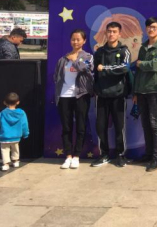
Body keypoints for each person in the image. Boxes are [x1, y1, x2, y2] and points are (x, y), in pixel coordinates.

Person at [133, 17, 157, 172]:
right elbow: (138, 72)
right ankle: (148, 154)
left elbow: (155, 66)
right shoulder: (143, 46)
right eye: (149, 27)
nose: (151, 29)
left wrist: (141, 63)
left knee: (154, 124)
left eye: (154, 27)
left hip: (155, 89)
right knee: (145, 123)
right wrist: (136, 91)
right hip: (141, 89)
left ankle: (156, 158)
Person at [54, 29, 94, 169]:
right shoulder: (63, 59)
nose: (75, 42)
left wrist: (75, 60)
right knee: (66, 128)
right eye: (73, 39)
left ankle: (77, 156)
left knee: (81, 127)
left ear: (84, 41)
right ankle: (68, 156)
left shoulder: (87, 56)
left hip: (81, 95)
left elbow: (85, 69)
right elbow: (56, 76)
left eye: (78, 39)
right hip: (64, 96)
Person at [93, 22, 131, 168]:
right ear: (105, 33)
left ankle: (120, 155)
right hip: (102, 95)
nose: (111, 34)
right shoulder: (99, 52)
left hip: (118, 94)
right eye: (109, 31)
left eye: (114, 31)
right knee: (100, 126)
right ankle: (104, 154)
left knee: (119, 126)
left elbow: (125, 68)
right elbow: (95, 71)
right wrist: (96, 88)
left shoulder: (124, 51)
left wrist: (105, 69)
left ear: (119, 34)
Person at [0, 92, 29, 171]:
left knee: (5, 150)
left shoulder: (2, 113)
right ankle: (15, 161)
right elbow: (24, 124)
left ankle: (6, 164)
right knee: (15, 149)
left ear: (4, 102)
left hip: (4, 137)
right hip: (16, 136)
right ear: (18, 102)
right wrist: (25, 134)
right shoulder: (21, 113)